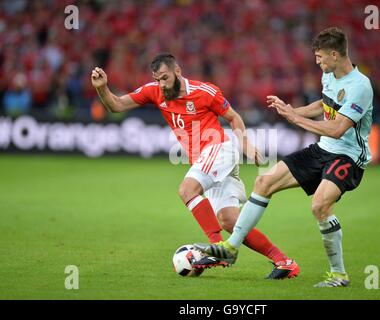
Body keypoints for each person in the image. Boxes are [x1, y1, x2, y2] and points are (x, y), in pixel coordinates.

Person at [91, 53, 300, 279]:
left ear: (177, 71)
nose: (162, 84)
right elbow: (117, 105)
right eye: (158, 79)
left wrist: (246, 145)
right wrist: (102, 88)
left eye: (165, 78)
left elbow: (234, 117)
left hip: (219, 149)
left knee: (186, 190)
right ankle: (284, 261)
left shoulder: (204, 91)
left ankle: (216, 248)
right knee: (229, 220)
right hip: (207, 161)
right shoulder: (153, 91)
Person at [194, 27, 374, 287]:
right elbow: (323, 105)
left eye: (321, 57)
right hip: (323, 149)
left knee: (320, 206)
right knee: (264, 182)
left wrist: (295, 118)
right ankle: (231, 248)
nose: (318, 62)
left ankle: (338, 274)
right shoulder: (330, 75)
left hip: (348, 156)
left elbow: (337, 128)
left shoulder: (360, 86)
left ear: (335, 54)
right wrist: (293, 109)